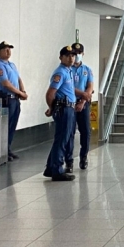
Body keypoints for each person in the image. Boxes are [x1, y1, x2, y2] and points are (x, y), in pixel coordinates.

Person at [43, 46, 77, 181]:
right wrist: (51, 108)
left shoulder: (69, 71)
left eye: (73, 55)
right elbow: (50, 93)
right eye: (67, 56)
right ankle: (57, 170)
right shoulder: (60, 73)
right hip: (64, 109)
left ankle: (50, 168)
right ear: (61, 57)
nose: (71, 58)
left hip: (69, 108)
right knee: (62, 140)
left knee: (61, 139)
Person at [0, 41, 27, 161]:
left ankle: (7, 149)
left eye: (9, 49)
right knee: (5, 126)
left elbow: (18, 79)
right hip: (7, 99)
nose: (8, 51)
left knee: (12, 126)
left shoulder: (12, 65)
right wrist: (20, 93)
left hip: (15, 99)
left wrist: (23, 91)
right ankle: (2, 152)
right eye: (5, 49)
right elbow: (6, 84)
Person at [64, 43, 94, 172]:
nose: (76, 56)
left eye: (79, 53)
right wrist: (83, 94)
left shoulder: (87, 70)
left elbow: (90, 86)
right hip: (69, 104)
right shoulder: (67, 70)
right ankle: (69, 161)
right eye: (74, 54)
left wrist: (82, 101)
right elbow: (68, 87)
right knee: (69, 132)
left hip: (83, 104)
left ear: (83, 54)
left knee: (85, 131)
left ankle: (84, 157)